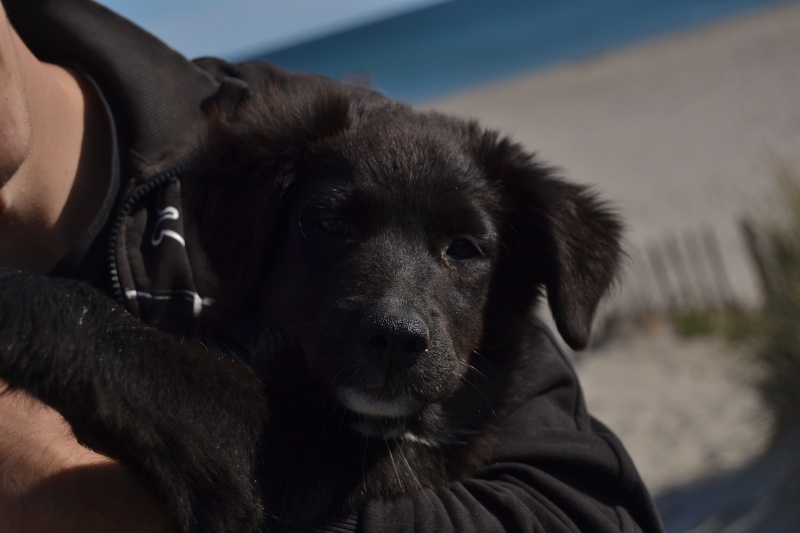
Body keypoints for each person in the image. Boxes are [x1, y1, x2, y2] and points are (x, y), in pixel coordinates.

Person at [0, 0, 664, 531]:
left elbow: (595, 514)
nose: (401, 312)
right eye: (329, 226)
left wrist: (91, 501)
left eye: (463, 248)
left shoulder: (284, 144)